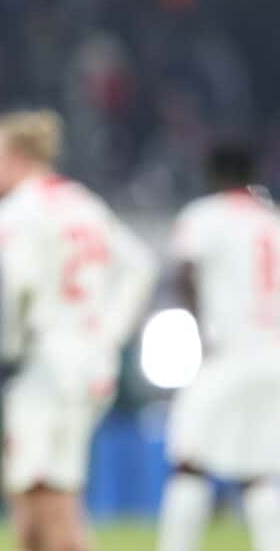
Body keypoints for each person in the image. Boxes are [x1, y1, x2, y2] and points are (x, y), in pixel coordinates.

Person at [0, 110, 156, 551]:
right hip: (91, 359)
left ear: (16, 158)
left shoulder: (13, 212)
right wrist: (110, 333)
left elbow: (21, 284)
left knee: (46, 495)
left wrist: (10, 348)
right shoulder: (83, 202)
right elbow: (141, 265)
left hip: (46, 360)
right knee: (40, 492)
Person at [158, 143, 280, 551]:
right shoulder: (273, 220)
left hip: (228, 354)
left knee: (189, 462)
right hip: (274, 355)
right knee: (261, 469)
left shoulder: (205, 215)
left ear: (213, 176)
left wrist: (200, 329)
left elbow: (185, 271)